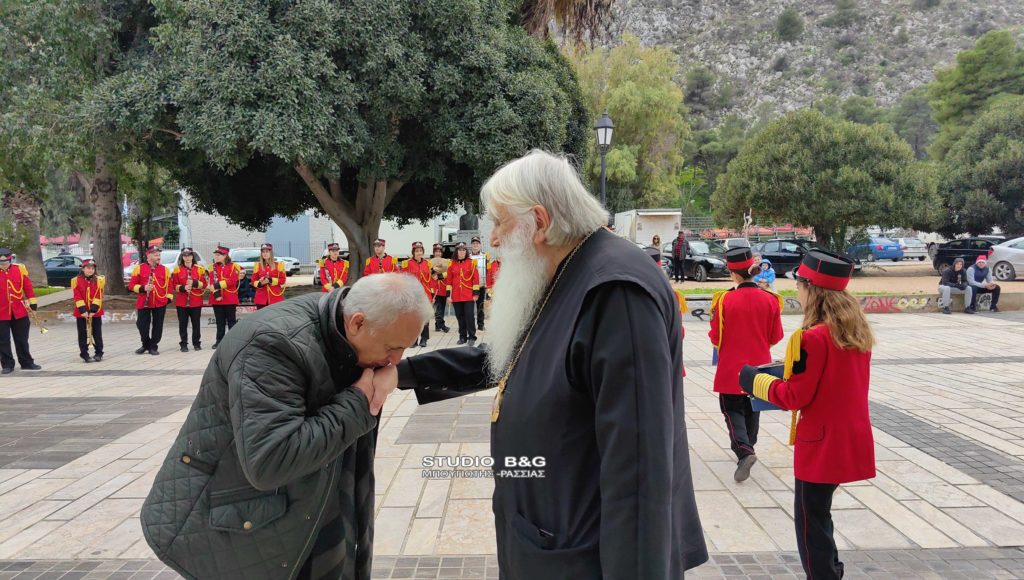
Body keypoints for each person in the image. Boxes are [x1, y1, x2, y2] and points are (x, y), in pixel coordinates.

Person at [392, 150, 708, 578]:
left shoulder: (615, 292)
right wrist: (403, 374)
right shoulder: (565, 269)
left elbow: (638, 475)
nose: (493, 239)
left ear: (539, 221)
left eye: (499, 222)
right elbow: (512, 356)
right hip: (550, 537)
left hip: (582, 557)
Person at [141, 274, 467, 580]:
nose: (394, 361)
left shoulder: (343, 326)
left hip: (314, 509)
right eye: (391, 348)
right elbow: (271, 461)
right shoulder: (273, 344)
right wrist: (357, 403)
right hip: (245, 529)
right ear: (357, 323)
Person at [740, 249, 875, 580]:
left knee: (809, 521)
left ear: (811, 289)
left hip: (821, 442)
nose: (797, 291)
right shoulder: (856, 331)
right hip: (850, 436)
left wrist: (754, 381)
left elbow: (794, 397)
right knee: (820, 514)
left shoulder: (811, 338)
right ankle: (832, 571)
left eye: (799, 285)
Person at [709, 248, 784, 482]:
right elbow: (776, 336)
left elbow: (716, 337)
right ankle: (749, 445)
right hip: (759, 365)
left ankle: (744, 450)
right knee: (753, 408)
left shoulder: (724, 300)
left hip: (731, 366)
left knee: (732, 409)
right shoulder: (771, 300)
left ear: (733, 273)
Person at [0, 248, 41, 374]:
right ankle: (7, 365)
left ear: (10, 260)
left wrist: (33, 305)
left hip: (19, 310)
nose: (3, 265)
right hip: (1, 312)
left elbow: (28, 288)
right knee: (3, 341)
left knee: (22, 339)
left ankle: (26, 362)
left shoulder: (20, 269)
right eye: (1, 263)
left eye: (6, 262)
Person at [129, 246, 170, 356]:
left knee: (158, 325)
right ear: (148, 256)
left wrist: (168, 298)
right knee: (141, 324)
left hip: (160, 301)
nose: (158, 257)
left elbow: (169, 286)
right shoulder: (139, 268)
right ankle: (146, 344)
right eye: (156, 255)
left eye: (159, 255)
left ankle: (153, 346)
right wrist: (143, 288)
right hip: (144, 301)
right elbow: (131, 285)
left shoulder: (165, 269)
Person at [172, 248, 207, 352]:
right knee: (182, 324)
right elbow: (174, 285)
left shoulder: (200, 269)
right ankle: (183, 344)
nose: (187, 258)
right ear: (182, 257)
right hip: (182, 302)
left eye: (189, 256)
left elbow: (204, 285)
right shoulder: (177, 269)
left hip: (195, 301)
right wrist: (183, 288)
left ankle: (196, 343)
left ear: (192, 257)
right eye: (185, 256)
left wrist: (194, 283)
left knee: (196, 324)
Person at [445, 242, 479, 345]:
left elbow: (476, 279)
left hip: (468, 295)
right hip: (456, 296)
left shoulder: (471, 263)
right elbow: (448, 281)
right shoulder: (451, 263)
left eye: (464, 250)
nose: (462, 252)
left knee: (469, 316)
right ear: (456, 251)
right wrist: (448, 296)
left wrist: (476, 294)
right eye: (460, 250)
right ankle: (463, 337)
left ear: (466, 251)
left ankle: (472, 337)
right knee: (460, 317)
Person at [208, 246, 242, 349]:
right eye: (216, 255)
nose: (216, 257)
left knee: (231, 321)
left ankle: (233, 342)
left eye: (219, 255)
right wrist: (216, 294)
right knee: (220, 322)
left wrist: (218, 285)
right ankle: (219, 341)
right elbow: (211, 281)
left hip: (229, 298)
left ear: (225, 256)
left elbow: (233, 280)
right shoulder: (212, 267)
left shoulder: (234, 266)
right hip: (217, 298)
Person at [72, 258, 105, 363]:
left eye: (92, 268)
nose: (90, 270)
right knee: (82, 333)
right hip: (81, 312)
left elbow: (99, 295)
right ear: (83, 269)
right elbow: (77, 296)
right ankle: (84, 354)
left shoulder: (99, 280)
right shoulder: (76, 280)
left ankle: (99, 353)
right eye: (88, 268)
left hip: (95, 311)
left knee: (97, 333)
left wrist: (93, 310)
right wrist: (83, 310)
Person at [402, 242, 434, 347]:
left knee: (425, 317)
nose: (419, 253)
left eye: (421, 251)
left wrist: (432, 294)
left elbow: (431, 280)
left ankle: (424, 339)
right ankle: (414, 340)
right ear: (413, 252)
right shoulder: (407, 264)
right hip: (413, 295)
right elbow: (404, 279)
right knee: (413, 318)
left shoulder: (427, 263)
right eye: (417, 251)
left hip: (425, 294)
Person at [251, 243, 286, 310]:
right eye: (263, 252)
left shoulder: (279, 265)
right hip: (261, 298)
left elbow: (283, 280)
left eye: (267, 251)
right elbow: (253, 281)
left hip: (275, 298)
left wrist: (270, 280)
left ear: (271, 253)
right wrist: (260, 283)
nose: (265, 253)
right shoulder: (257, 266)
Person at [469, 236, 490, 331]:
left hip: (481, 285)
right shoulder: (468, 256)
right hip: (469, 286)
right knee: (469, 307)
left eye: (477, 243)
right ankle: (470, 325)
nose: (475, 245)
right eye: (473, 243)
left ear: (480, 245)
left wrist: (487, 284)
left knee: (480, 306)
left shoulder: (485, 256)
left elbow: (488, 270)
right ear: (471, 245)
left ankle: (480, 324)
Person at [428, 243, 451, 334]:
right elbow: (427, 273)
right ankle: (442, 326)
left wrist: (441, 275)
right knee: (438, 308)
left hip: (443, 287)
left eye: (439, 252)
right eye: (436, 252)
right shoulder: (429, 262)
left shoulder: (446, 262)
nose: (438, 253)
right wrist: (432, 272)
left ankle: (437, 326)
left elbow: (449, 272)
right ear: (434, 253)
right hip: (434, 288)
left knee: (442, 307)